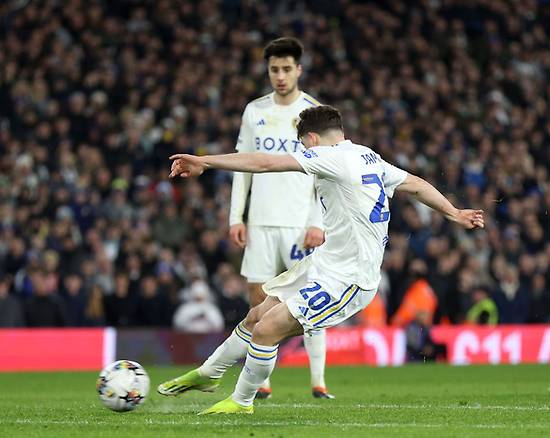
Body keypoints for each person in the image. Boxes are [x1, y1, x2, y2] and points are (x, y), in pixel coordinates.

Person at [158, 105, 484, 414]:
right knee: (257, 315)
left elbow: (265, 164)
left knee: (267, 330)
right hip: (325, 262)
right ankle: (210, 372)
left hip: (349, 279)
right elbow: (415, 184)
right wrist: (453, 212)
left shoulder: (328, 156)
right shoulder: (368, 156)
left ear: (311, 139)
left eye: (304, 145)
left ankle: (241, 402)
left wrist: (207, 162)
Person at [227, 37, 329, 399]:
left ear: (299, 69)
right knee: (259, 303)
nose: (281, 76)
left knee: (313, 301)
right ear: (268, 71)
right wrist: (235, 217)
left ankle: (318, 381)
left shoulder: (315, 112)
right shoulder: (254, 111)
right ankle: (262, 382)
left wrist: (318, 221)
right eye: (274, 69)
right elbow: (242, 168)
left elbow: (324, 173)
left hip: (301, 224)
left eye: (287, 69)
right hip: (260, 223)